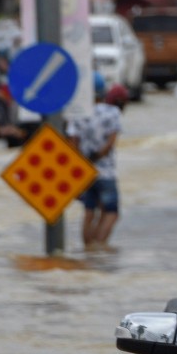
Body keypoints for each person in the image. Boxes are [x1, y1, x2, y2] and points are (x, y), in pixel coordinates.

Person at [66, 82, 126, 251]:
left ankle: (87, 250)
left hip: (85, 173)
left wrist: (82, 166)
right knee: (111, 213)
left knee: (89, 212)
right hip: (106, 172)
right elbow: (111, 142)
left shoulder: (76, 114)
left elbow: (72, 145)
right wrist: (98, 156)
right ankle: (98, 248)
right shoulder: (112, 112)